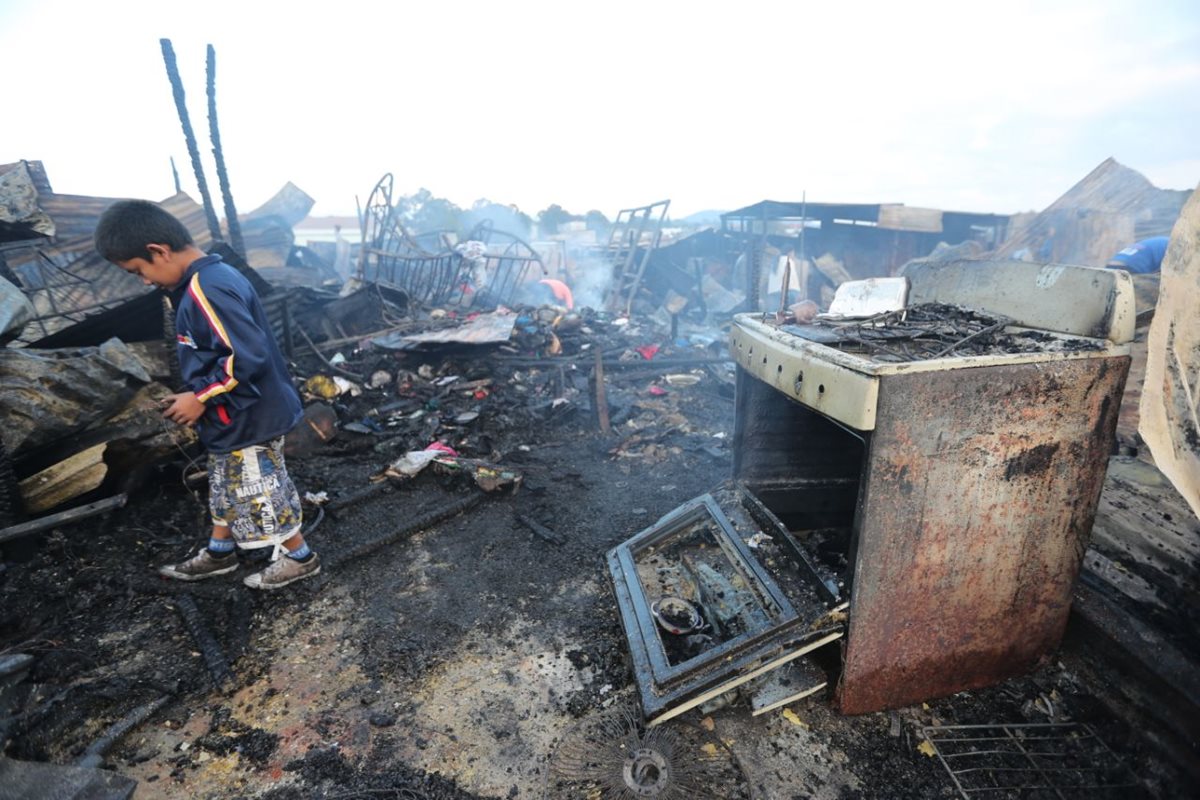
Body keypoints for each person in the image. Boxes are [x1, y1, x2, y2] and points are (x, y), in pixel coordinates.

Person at [94, 200, 320, 589]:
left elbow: (247, 356)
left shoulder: (208, 288)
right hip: (232, 414)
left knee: (256, 486)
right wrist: (197, 394)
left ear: (158, 251)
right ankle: (220, 553)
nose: (144, 281)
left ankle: (299, 557)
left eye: (138, 271)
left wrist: (199, 397)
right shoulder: (201, 282)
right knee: (225, 483)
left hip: (249, 415)